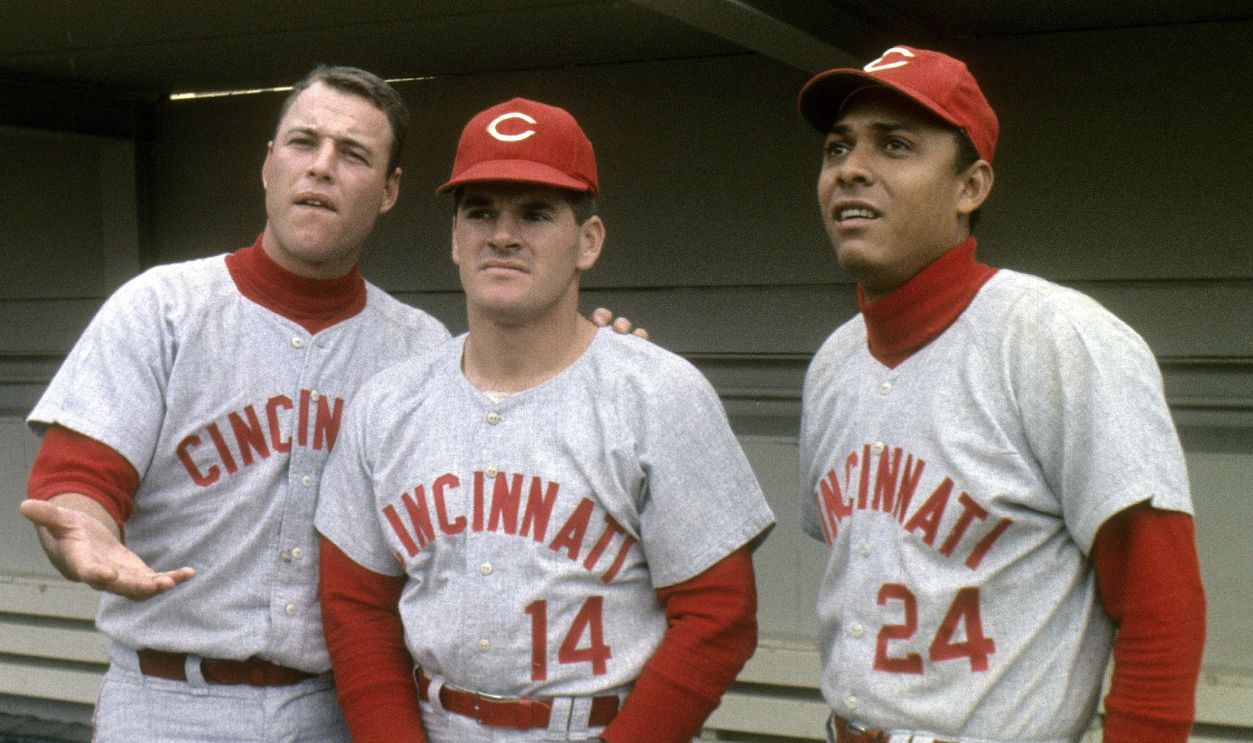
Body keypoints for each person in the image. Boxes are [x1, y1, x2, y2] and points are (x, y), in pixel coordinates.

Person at [19, 67, 635, 742]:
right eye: (301, 143)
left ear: (389, 190)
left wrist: (592, 359)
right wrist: (86, 531)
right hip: (168, 696)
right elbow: (77, 481)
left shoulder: (420, 348)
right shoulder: (162, 307)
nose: (320, 168)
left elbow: (512, 458)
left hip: (338, 705)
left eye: (353, 154)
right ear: (267, 164)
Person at [314, 97, 776, 743]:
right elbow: (355, 607)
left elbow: (718, 616)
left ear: (587, 241)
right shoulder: (388, 401)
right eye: (480, 212)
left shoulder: (657, 391)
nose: (502, 234)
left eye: (534, 213)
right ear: (454, 238)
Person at [794, 46, 1205, 743]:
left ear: (970, 186)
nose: (851, 169)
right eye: (838, 148)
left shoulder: (1056, 337)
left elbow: (1160, 599)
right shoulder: (833, 361)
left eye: (894, 145)